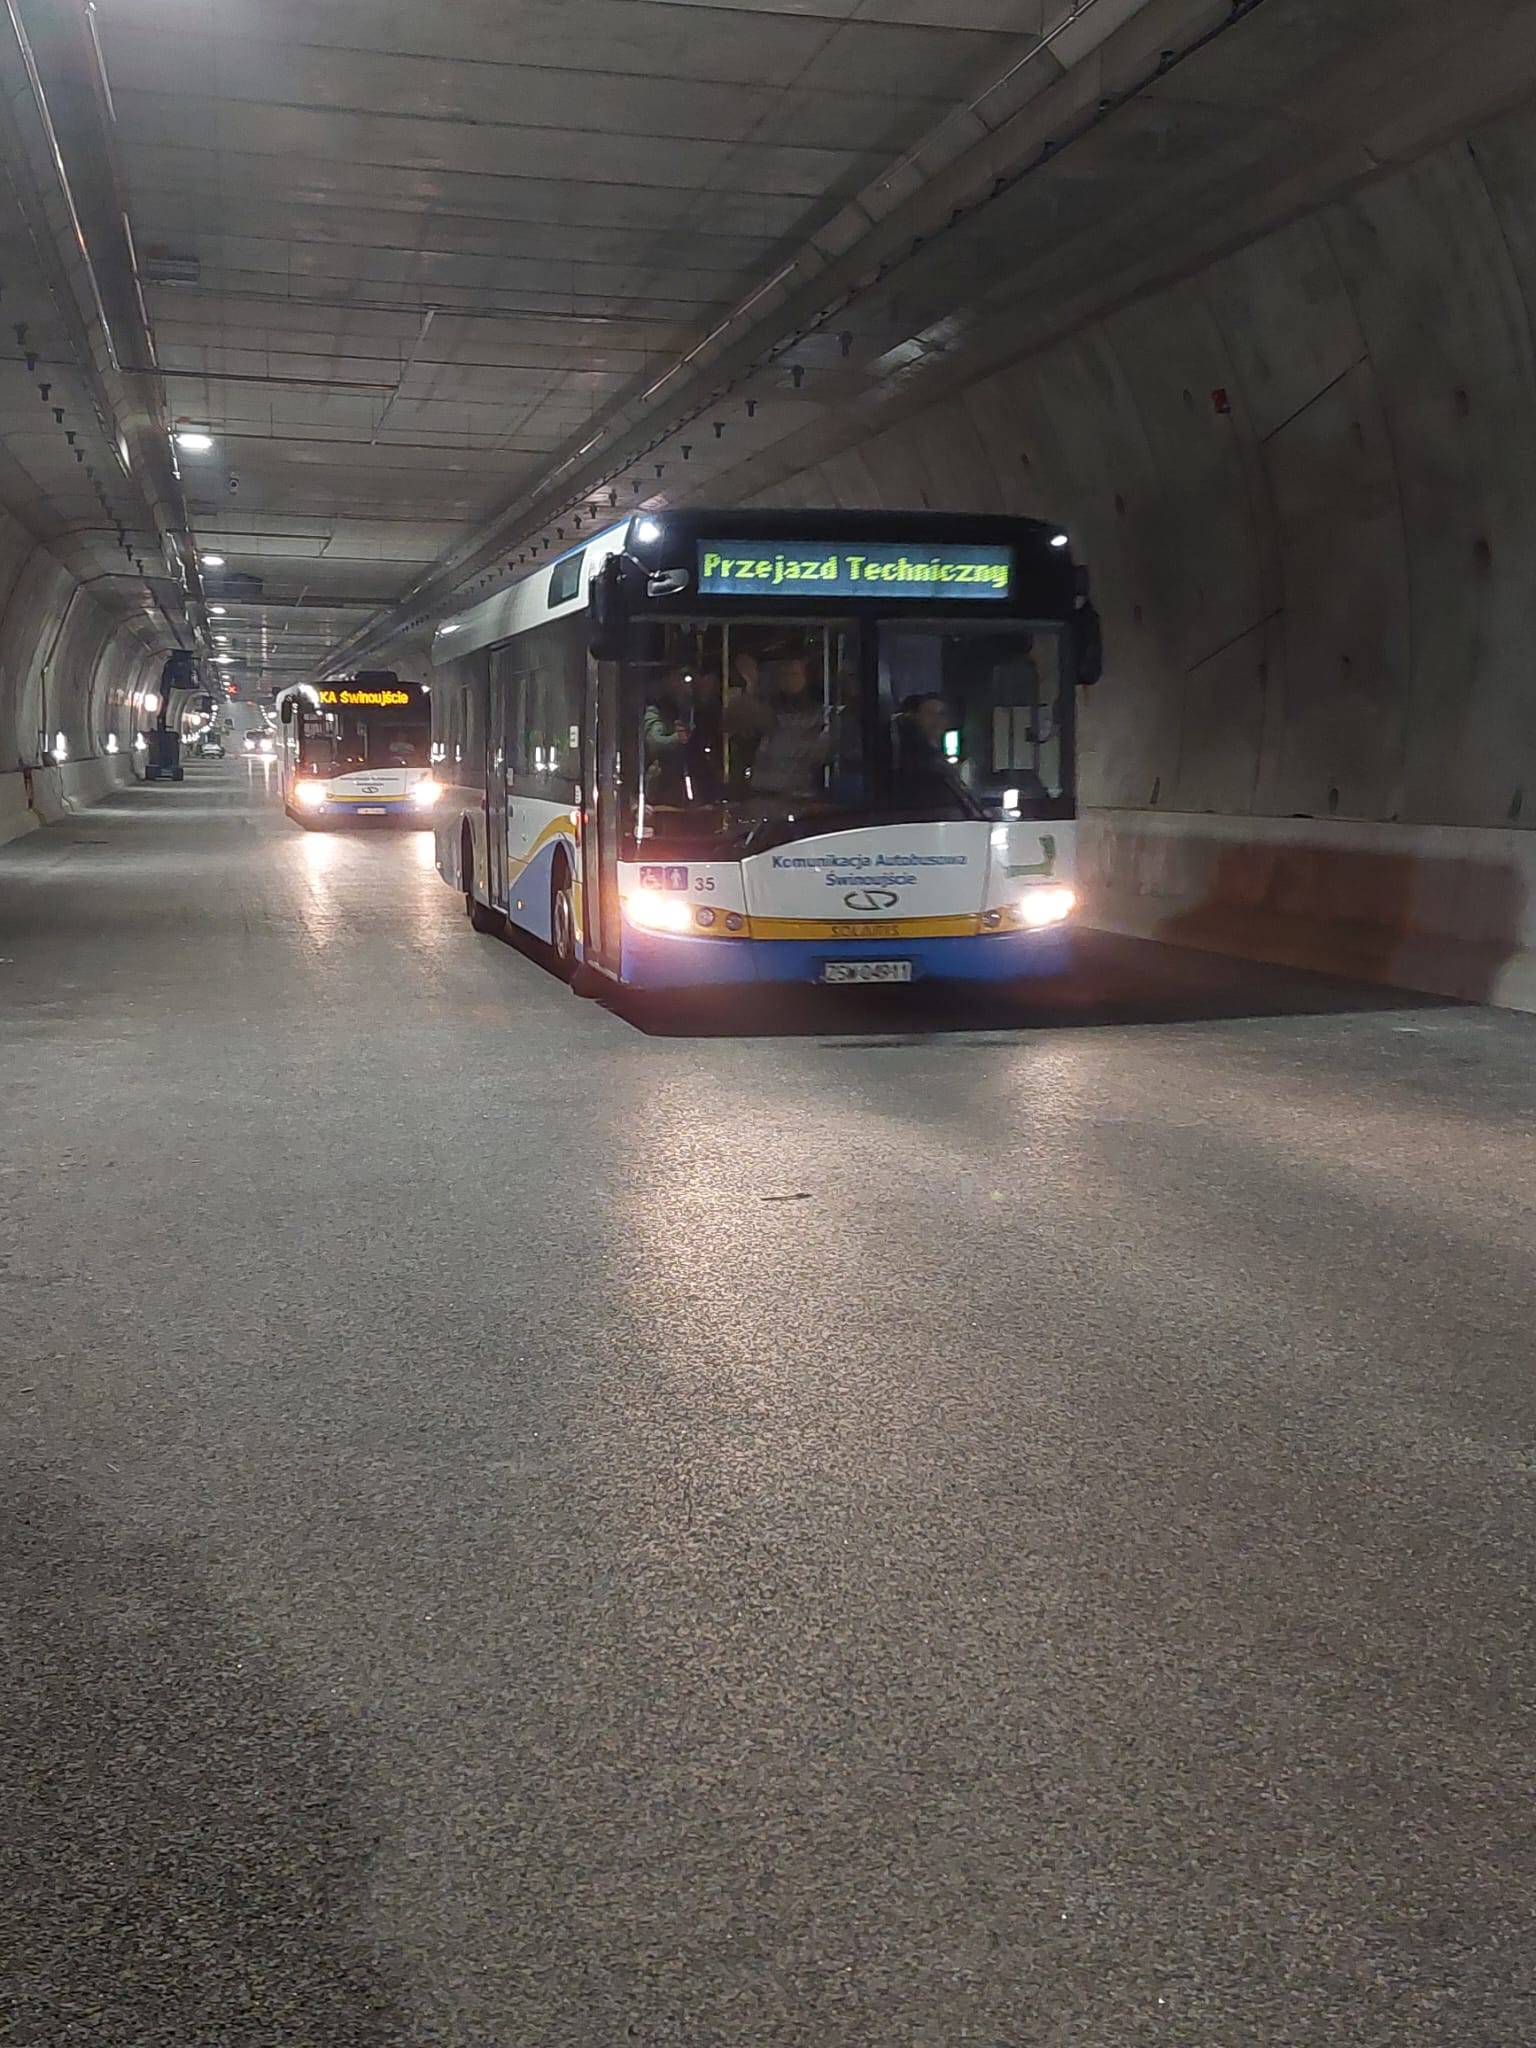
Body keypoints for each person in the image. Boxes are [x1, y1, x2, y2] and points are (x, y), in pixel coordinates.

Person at [726, 652, 836, 802]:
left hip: (799, 797)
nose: (788, 680)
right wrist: (751, 684)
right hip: (760, 793)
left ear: (807, 677)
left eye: (794, 674)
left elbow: (823, 753)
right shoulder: (769, 709)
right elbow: (734, 723)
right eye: (784, 675)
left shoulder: (820, 715)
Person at [893, 693, 969, 813]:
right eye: (929, 713)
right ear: (916, 717)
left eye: (941, 714)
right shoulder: (910, 758)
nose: (936, 720)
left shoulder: (942, 755)